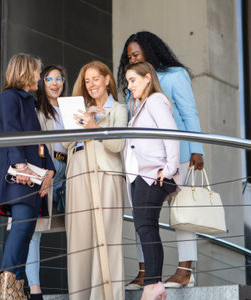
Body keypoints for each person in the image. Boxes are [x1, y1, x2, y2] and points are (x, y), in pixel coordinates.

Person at [117, 31, 204, 289]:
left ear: (150, 51)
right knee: (142, 217)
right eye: (129, 55)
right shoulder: (131, 85)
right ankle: (145, 271)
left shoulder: (175, 76)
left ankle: (185, 271)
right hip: (141, 164)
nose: (131, 58)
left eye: (136, 53)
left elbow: (189, 113)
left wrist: (198, 150)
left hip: (180, 157)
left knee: (182, 213)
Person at [0, 53, 55, 300]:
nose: (39, 78)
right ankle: (6, 286)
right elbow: (10, 131)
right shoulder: (9, 96)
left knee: (27, 229)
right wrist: (20, 165)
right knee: (21, 228)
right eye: (38, 72)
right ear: (25, 72)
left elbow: (39, 142)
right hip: (20, 175)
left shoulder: (28, 101)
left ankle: (17, 286)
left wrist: (49, 168)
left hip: (33, 175)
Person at [64, 60, 127, 299]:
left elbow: (117, 144)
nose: (91, 85)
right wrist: (82, 122)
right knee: (79, 240)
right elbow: (65, 143)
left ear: (107, 80)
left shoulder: (118, 109)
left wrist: (93, 127)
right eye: (87, 81)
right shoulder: (82, 109)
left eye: (95, 79)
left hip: (105, 174)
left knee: (106, 237)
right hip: (77, 172)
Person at [123, 61, 180, 300]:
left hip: (153, 174)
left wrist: (168, 170)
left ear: (148, 78)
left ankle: (153, 284)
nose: (129, 86)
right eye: (127, 82)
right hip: (140, 176)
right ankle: (152, 283)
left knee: (147, 227)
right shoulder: (140, 107)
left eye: (132, 80)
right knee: (144, 228)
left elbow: (171, 135)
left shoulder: (156, 101)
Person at [25, 65, 68, 300]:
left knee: (78, 226)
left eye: (59, 78)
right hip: (45, 171)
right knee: (36, 229)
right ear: (42, 82)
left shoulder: (71, 107)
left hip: (71, 172)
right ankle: (35, 290)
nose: (54, 83)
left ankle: (86, 282)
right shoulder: (36, 108)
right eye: (49, 78)